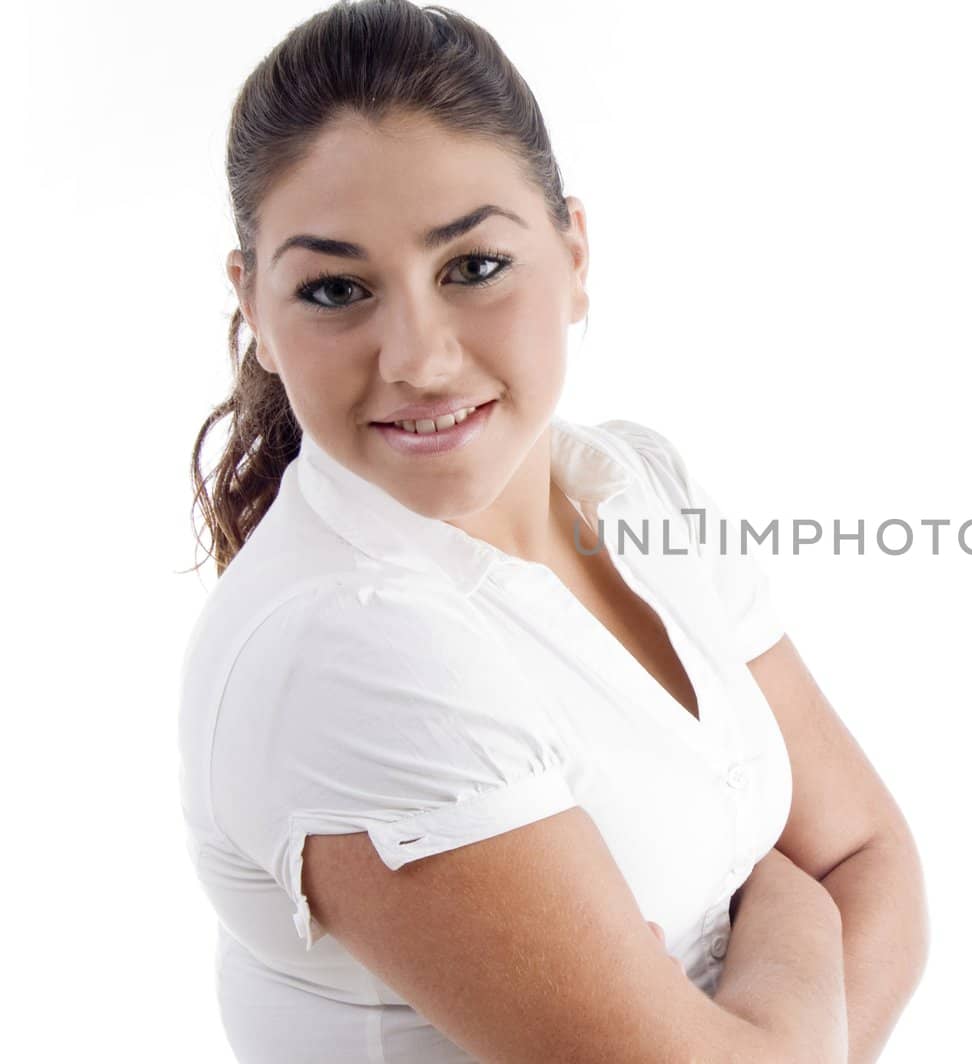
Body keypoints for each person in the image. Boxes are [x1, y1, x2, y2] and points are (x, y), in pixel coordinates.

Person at [177, 2, 928, 1062]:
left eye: (472, 266)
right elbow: (831, 869)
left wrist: (779, 1017)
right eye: (337, 289)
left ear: (573, 252)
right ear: (252, 304)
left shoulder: (629, 481)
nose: (419, 358)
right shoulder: (346, 641)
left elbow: (871, 852)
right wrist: (789, 892)